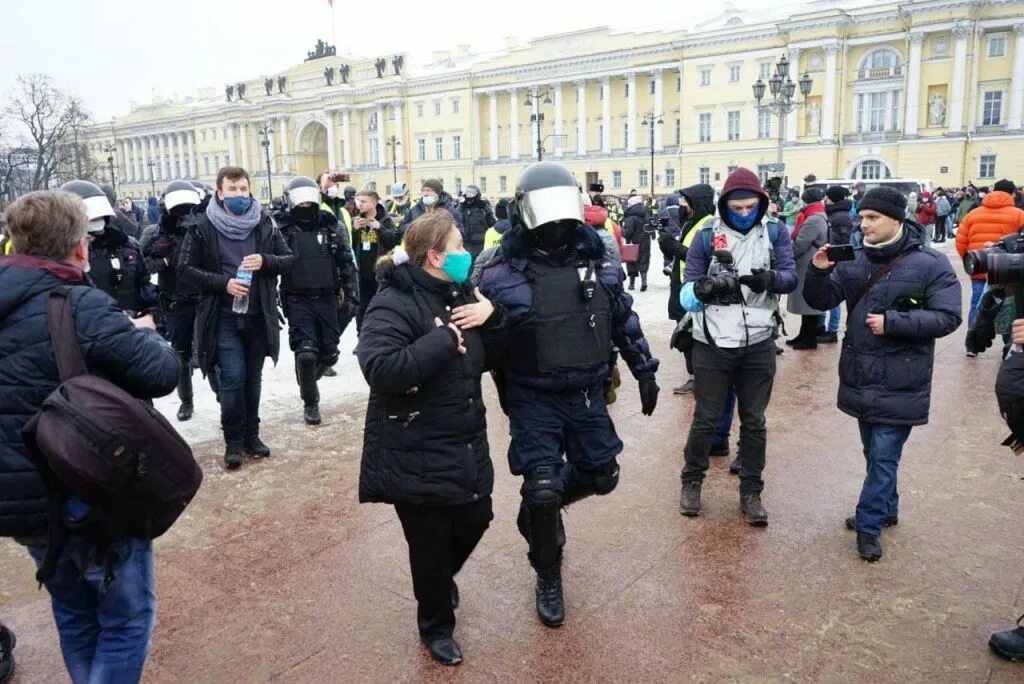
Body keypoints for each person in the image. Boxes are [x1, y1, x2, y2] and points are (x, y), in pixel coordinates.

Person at [0, 190, 179, 683]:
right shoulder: (80, 304)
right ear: (79, 248)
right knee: (125, 618)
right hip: (88, 489)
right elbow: (161, 372)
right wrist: (142, 330)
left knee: (74, 610)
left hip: (17, 497)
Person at [480, 161, 660, 628]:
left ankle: (542, 507)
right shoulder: (500, 273)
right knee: (541, 487)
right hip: (533, 395)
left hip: (585, 390)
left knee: (602, 475)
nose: (555, 219)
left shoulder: (597, 260)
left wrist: (643, 368)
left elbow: (621, 315)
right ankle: (548, 570)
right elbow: (481, 339)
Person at [358, 211, 503, 666]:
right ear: (435, 256)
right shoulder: (393, 301)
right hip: (413, 444)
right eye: (458, 248)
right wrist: (441, 343)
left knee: (478, 516)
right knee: (430, 544)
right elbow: (379, 370)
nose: (467, 254)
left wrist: (491, 315)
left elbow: (489, 355)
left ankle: (439, 582)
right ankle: (436, 626)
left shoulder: (459, 292)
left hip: (462, 437)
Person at [804, 186, 961, 561]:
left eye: (873, 218)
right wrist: (817, 272)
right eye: (862, 217)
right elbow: (820, 301)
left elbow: (948, 316)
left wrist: (894, 322)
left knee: (884, 455)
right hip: (859, 374)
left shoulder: (930, 264)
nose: (864, 224)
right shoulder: (855, 259)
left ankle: (869, 525)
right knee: (873, 453)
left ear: (896, 219)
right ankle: (887, 508)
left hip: (902, 378)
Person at [678, 167, 797, 525]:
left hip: (758, 342)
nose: (743, 214)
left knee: (755, 421)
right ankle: (691, 481)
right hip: (712, 342)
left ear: (760, 204)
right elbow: (686, 293)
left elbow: (791, 276)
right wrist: (703, 289)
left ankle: (751, 491)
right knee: (706, 419)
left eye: (750, 207)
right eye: (736, 208)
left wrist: (772, 279)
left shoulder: (775, 233)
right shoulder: (705, 236)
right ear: (723, 205)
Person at [178, 166, 295, 469]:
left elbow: (288, 259)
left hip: (258, 314)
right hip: (223, 316)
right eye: (232, 189)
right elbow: (185, 269)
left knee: (253, 380)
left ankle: (251, 437)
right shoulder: (202, 226)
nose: (239, 195)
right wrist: (223, 283)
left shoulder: (264, 223)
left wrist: (265, 260)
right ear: (220, 193)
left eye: (243, 189)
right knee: (232, 378)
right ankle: (233, 441)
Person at [276, 176, 358, 425]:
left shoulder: (331, 227)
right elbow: (269, 267)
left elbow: (346, 261)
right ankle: (311, 402)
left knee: (330, 354)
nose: (304, 205)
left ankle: (307, 376)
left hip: (327, 298)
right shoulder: (281, 230)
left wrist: (352, 292)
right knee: (306, 354)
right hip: (297, 300)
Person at [143, 180, 204, 421]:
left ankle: (223, 396)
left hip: (202, 297)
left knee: (211, 352)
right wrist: (165, 261)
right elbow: (142, 264)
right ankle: (186, 402)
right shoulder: (156, 232)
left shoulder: (202, 228)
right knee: (181, 355)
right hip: (175, 300)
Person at [60, 180, 158, 318]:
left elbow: (144, 285)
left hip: (133, 328)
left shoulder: (127, 245)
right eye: (92, 217)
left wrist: (153, 316)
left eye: (99, 215)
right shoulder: (62, 255)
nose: (97, 220)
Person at [955, 178, 1024, 356]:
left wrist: (969, 262)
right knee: (1010, 308)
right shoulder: (1019, 214)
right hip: (1008, 270)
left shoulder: (974, 214)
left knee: (978, 304)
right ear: (1012, 194)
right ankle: (1009, 346)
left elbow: (961, 241)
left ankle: (972, 344)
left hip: (979, 265)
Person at [659, 184, 715, 394]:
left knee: (690, 332)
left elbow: (700, 255)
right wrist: (664, 240)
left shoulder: (707, 224)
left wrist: (673, 246)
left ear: (696, 203)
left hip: (692, 286)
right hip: (681, 283)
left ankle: (697, 377)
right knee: (684, 330)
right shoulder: (690, 221)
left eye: (686, 201)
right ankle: (695, 374)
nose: (682, 205)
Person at [317, 171, 358, 354]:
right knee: (327, 310)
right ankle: (323, 350)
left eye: (335, 184)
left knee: (350, 307)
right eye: (329, 183)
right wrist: (323, 188)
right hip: (324, 265)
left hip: (345, 263)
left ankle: (328, 345)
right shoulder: (317, 205)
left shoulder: (342, 209)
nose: (333, 186)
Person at [352, 189, 400, 333]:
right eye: (358, 201)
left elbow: (394, 240)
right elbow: (349, 244)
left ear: (374, 203)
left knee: (381, 305)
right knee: (362, 307)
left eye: (363, 201)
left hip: (380, 272)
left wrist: (379, 228)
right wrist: (354, 230)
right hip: (362, 272)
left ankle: (382, 334)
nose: (359, 204)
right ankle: (362, 336)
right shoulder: (357, 220)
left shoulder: (385, 220)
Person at [786, 188, 828, 350]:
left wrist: (788, 256)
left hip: (807, 265)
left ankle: (809, 338)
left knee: (808, 303)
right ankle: (804, 335)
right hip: (811, 263)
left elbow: (800, 245)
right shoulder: (819, 215)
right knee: (807, 303)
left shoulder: (813, 219)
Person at [817, 185, 854, 343]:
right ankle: (821, 326)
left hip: (835, 259)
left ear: (833, 198)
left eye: (828, 196)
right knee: (823, 292)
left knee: (833, 296)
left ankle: (832, 330)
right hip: (830, 256)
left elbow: (841, 240)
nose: (825, 199)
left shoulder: (840, 216)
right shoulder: (836, 213)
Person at [622, 194, 652, 291]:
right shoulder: (646, 213)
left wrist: (622, 231)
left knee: (632, 261)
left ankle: (631, 284)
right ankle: (644, 281)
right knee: (644, 260)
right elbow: (651, 226)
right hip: (645, 240)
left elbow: (628, 232)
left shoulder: (630, 217)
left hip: (632, 242)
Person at [459, 184, 496, 261]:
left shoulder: (483, 207)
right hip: (465, 244)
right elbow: (455, 222)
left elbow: (492, 223)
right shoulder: (461, 207)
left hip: (481, 245)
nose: (469, 199)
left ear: (477, 196)